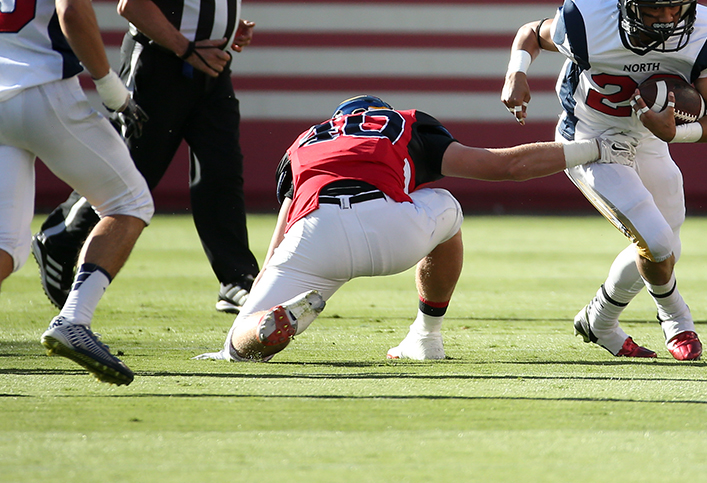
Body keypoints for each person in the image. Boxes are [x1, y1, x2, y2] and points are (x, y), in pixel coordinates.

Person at [196, 95, 636, 362]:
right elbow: (507, 166)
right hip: (392, 231)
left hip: (315, 233)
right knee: (446, 205)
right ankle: (425, 336)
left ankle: (274, 323)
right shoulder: (404, 124)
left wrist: (259, 301)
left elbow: (280, 237)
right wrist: (593, 148)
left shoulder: (304, 143)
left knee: (238, 343)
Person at [33, 0, 259, 314]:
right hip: (161, 69)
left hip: (211, 70)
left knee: (222, 172)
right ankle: (60, 233)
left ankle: (236, 278)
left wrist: (229, 26)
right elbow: (131, 1)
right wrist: (186, 46)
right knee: (130, 174)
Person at [500, 0, 707, 361]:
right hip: (591, 140)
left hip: (646, 140)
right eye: (653, 9)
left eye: (675, 8)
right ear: (625, 3)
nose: (667, 20)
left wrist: (673, 134)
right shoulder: (590, 21)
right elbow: (531, 33)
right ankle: (677, 320)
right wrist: (516, 74)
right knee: (658, 243)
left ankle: (599, 318)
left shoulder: (704, 34)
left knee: (667, 246)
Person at [1, 0, 155, 385]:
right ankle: (74, 319)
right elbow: (70, 3)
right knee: (129, 203)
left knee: (7, 247)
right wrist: (113, 89)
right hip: (41, 89)